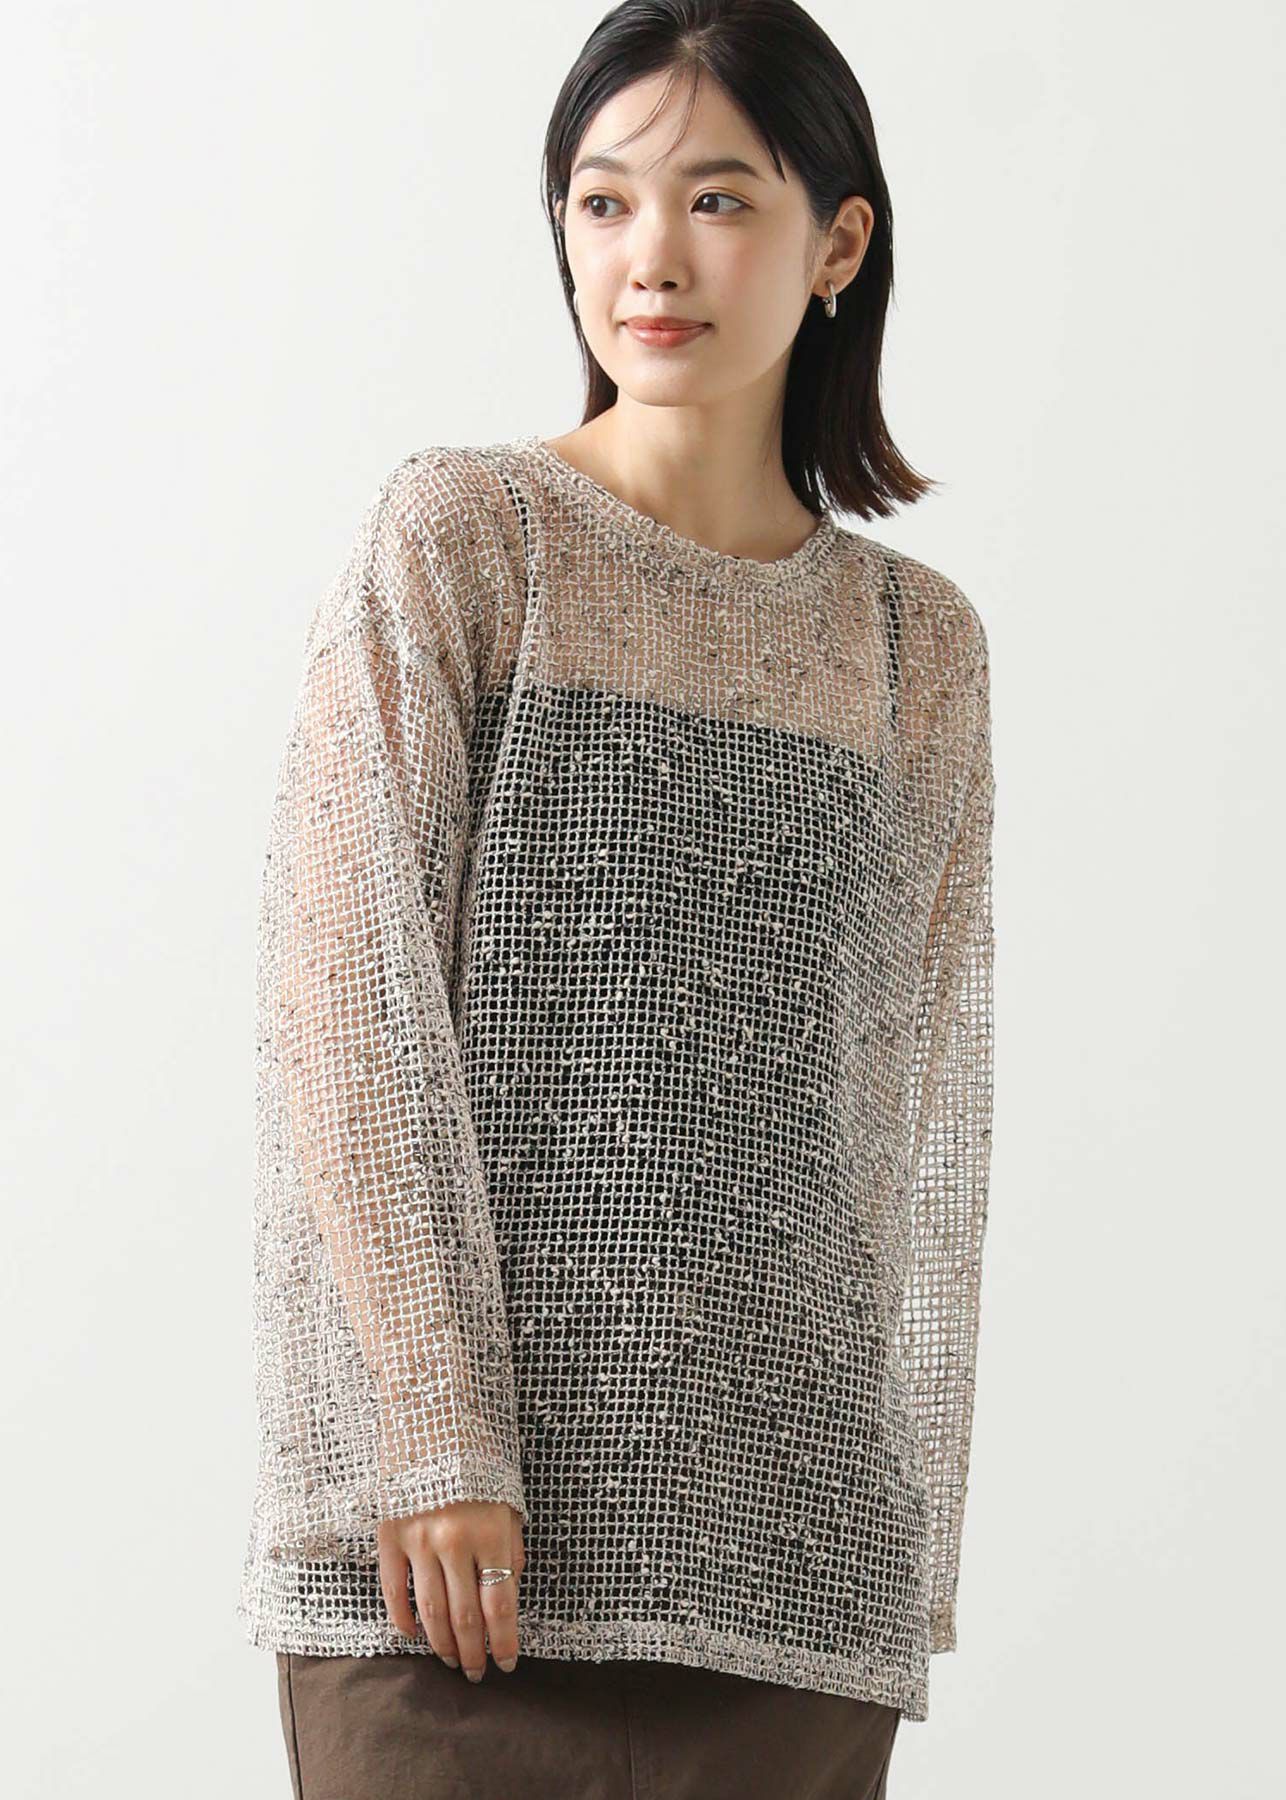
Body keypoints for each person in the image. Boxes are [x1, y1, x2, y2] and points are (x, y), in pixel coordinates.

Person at [238, 2, 995, 1794]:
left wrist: (878, 1518)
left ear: (838, 242)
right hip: (452, 1583)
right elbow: (347, 1005)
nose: (651, 256)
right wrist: (438, 1430)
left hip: (789, 1563)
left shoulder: (917, 648)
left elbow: (897, 1121)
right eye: (603, 201)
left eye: (718, 199)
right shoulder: (467, 539)